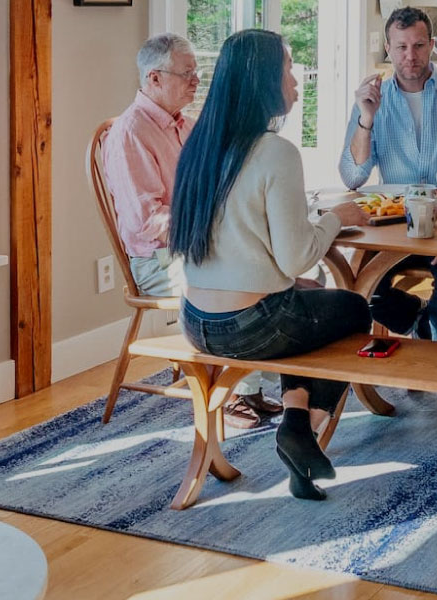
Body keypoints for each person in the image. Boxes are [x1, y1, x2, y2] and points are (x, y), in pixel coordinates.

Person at [173, 29, 386, 502]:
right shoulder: (275, 152)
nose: (295, 80)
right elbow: (296, 257)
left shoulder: (200, 147)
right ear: (263, 81)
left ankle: (295, 424)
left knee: (304, 301)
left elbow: (252, 249)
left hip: (196, 319)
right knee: (353, 311)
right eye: (288, 68)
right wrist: (336, 219)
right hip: (251, 326)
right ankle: (303, 427)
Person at [99, 32, 282, 429]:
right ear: (154, 79)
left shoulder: (189, 126)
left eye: (196, 73)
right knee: (237, 279)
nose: (196, 82)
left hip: (198, 244)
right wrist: (215, 224)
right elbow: (148, 223)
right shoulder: (130, 134)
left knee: (269, 265)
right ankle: (230, 392)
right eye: (187, 74)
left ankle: (249, 386)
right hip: (157, 259)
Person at [337, 7, 437, 341]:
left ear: (432, 45)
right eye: (402, 47)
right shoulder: (371, 101)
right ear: (388, 49)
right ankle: (418, 320)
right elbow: (352, 177)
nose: (411, 55)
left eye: (419, 46)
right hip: (393, 226)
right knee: (359, 290)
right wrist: (366, 120)